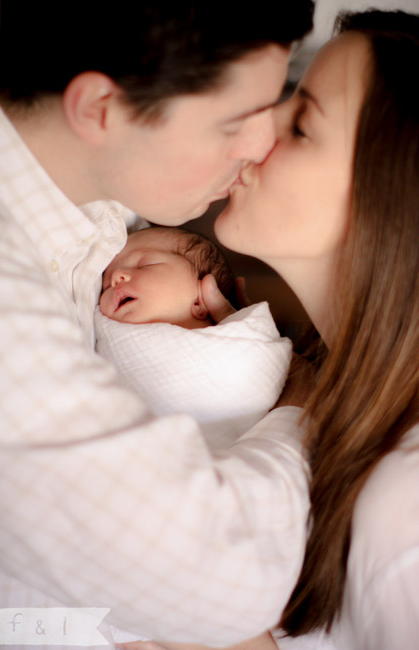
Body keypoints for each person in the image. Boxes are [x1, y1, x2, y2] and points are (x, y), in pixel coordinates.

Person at [0, 1, 315, 647]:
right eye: (235, 122)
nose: (260, 148)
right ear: (100, 110)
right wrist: (304, 405)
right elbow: (219, 582)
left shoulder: (100, 214)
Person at [213, 8, 419, 650]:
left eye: (300, 125)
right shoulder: (326, 397)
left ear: (388, 202)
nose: (253, 130)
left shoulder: (405, 516)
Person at [95, 226, 292, 451]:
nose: (116, 279)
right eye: (105, 283)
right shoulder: (103, 331)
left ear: (199, 299)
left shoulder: (240, 349)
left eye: (145, 265)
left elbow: (257, 379)